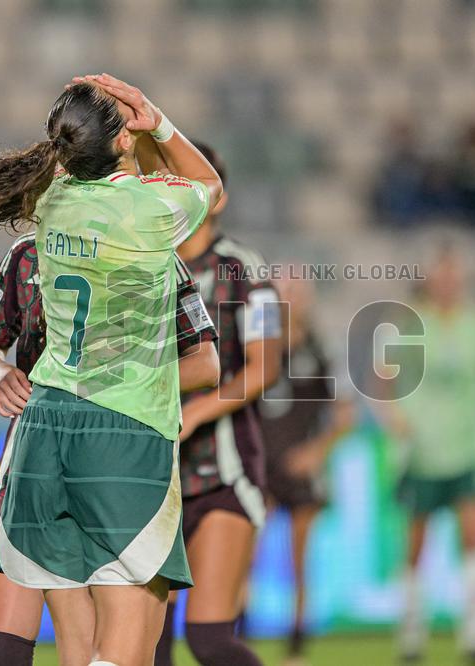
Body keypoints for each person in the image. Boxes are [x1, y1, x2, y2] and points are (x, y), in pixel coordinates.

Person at [0, 74, 224, 666]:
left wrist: (114, 133)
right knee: (128, 640)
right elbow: (209, 187)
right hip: (123, 430)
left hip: (43, 429)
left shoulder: (50, 201)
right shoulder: (149, 212)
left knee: (76, 643)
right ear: (123, 140)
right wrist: (157, 120)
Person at [0, 229, 219, 666]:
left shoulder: (151, 250)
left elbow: (205, 363)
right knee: (11, 651)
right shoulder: (27, 253)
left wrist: (114, 389)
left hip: (117, 460)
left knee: (96, 649)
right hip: (37, 456)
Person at [154, 142, 283, 666]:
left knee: (208, 638)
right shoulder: (144, 265)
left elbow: (265, 366)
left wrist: (198, 411)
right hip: (154, 476)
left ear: (216, 197)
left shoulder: (243, 268)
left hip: (223, 471)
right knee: (150, 646)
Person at [380, 247, 475, 665]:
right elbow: (382, 379)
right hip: (422, 450)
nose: (447, 285)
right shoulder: (409, 324)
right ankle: (411, 634)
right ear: (430, 282)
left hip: (466, 447)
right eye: (441, 278)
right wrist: (393, 417)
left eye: (453, 278)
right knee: (415, 547)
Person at [257, 274, 354, 665]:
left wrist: (316, 452)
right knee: (243, 554)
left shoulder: (323, 349)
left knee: (299, 559)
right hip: (260, 466)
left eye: (297, 293)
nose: (292, 300)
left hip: (300, 468)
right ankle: (234, 637)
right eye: (285, 293)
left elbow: (345, 415)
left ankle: (296, 644)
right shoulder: (257, 346)